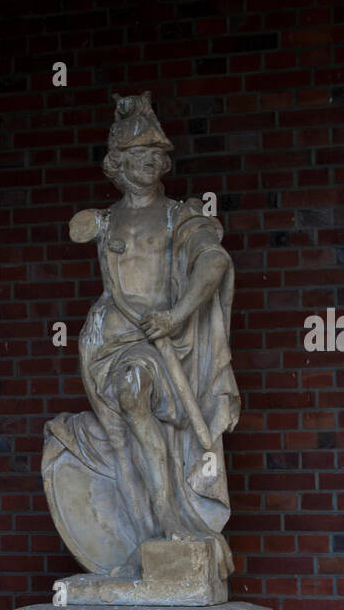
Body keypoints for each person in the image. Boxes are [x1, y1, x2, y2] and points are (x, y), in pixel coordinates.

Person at [44, 93, 239, 581]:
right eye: (139, 155)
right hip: (105, 342)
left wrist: (177, 315)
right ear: (119, 163)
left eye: (157, 155)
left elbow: (213, 262)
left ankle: (172, 519)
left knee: (136, 397)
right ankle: (147, 539)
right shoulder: (104, 219)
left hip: (157, 342)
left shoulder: (180, 215)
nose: (151, 162)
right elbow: (77, 230)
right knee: (123, 437)